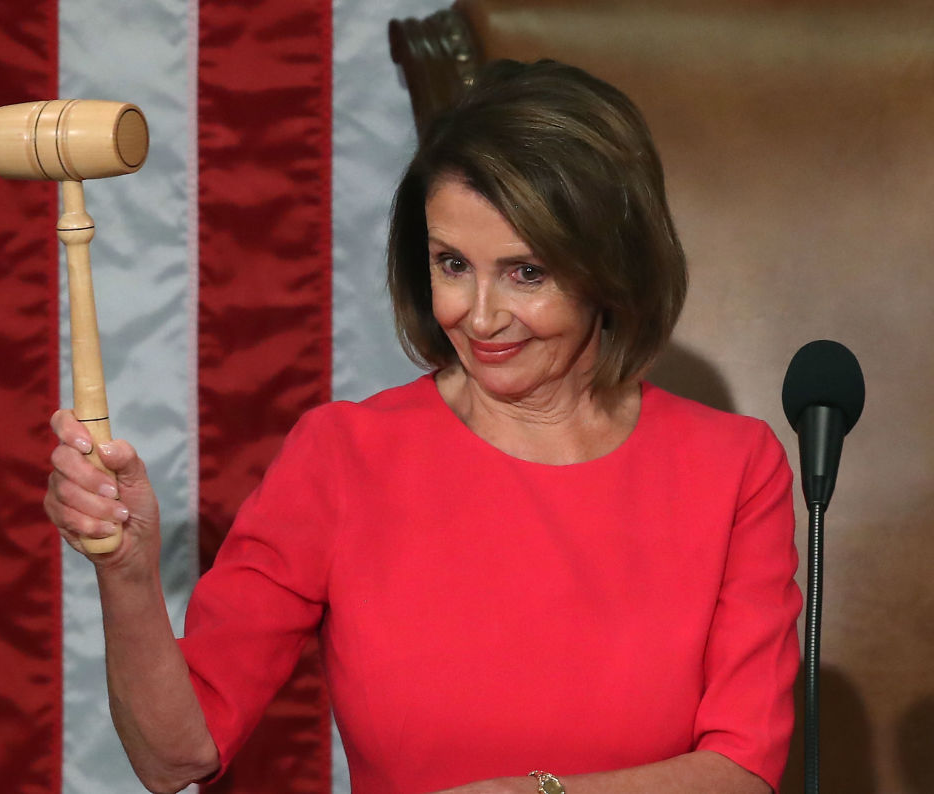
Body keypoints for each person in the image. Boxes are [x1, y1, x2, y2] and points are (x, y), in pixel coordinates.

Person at [45, 59, 801, 794]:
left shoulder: (733, 467)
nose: (478, 316)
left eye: (525, 272)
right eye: (451, 264)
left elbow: (742, 770)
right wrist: (128, 572)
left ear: (613, 265)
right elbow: (175, 756)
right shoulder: (344, 457)